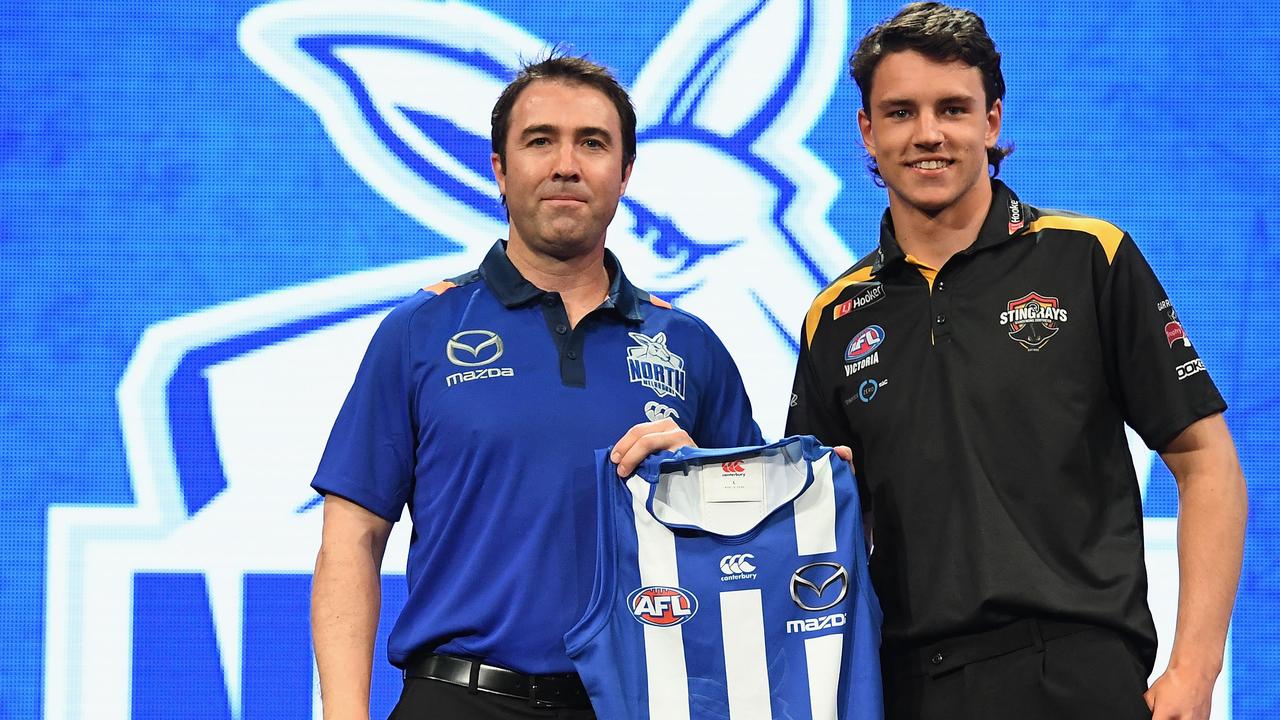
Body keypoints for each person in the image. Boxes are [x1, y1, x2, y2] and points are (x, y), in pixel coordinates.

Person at [785, 4, 1246, 719]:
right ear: (867, 134)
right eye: (900, 112)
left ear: (992, 122)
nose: (928, 134)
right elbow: (818, 527)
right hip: (912, 684)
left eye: (953, 109)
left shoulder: (1090, 256)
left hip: (1079, 669)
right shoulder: (835, 316)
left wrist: (1195, 669)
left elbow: (1206, 459)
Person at [309, 52, 761, 720]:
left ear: (625, 174)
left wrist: (723, 484)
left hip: (640, 703)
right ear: (499, 168)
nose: (566, 165)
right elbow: (351, 539)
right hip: (458, 699)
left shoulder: (691, 347)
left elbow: (752, 550)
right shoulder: (418, 333)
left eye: (593, 143)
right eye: (540, 140)